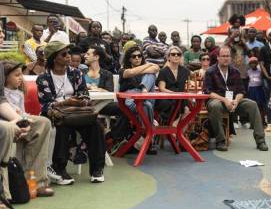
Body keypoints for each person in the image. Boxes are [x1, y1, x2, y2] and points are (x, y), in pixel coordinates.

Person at [36, 41, 106, 184]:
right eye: (64, 54)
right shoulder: (43, 78)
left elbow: (84, 95)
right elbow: (46, 103)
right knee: (62, 125)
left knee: (96, 126)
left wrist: (80, 101)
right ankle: (59, 169)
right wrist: (66, 103)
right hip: (56, 113)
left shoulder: (76, 73)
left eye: (68, 52)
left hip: (77, 112)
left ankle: (97, 169)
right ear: (54, 58)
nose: (68, 56)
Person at [1, 61, 54, 197]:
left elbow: (1, 101)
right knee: (7, 128)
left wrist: (19, 121)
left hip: (8, 115)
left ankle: (35, 182)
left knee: (43, 123)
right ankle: (5, 194)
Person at [203, 46, 267, 152]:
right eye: (223, 56)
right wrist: (224, 100)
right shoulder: (210, 71)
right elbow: (208, 92)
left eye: (228, 56)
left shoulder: (235, 72)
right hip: (218, 100)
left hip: (233, 101)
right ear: (218, 58)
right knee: (215, 105)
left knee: (252, 104)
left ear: (230, 58)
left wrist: (236, 101)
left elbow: (241, 91)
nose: (226, 58)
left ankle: (260, 141)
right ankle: (220, 141)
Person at [119, 45, 159, 153]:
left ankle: (144, 90)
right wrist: (148, 65)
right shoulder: (123, 70)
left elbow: (156, 68)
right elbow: (130, 73)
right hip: (131, 97)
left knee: (150, 76)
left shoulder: (147, 70)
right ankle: (149, 138)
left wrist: (149, 67)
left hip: (145, 95)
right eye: (134, 56)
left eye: (139, 56)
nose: (137, 58)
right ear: (129, 58)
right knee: (147, 105)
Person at [156, 46, 190, 123]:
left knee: (188, 110)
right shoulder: (163, 71)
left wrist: (201, 71)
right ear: (168, 57)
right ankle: (172, 130)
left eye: (178, 54)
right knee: (174, 106)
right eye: (173, 54)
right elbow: (162, 88)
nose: (176, 56)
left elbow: (194, 75)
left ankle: (177, 131)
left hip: (181, 98)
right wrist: (174, 94)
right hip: (167, 98)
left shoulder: (185, 70)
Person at [246, 57, 266, 124]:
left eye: (254, 63)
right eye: (251, 63)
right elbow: (247, 81)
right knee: (252, 105)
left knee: (260, 105)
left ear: (257, 63)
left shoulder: (260, 71)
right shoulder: (248, 72)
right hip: (251, 90)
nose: (253, 64)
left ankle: (262, 121)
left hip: (259, 89)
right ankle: (253, 122)